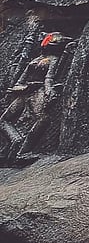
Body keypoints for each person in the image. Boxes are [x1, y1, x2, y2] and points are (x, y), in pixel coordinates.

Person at [1, 31, 72, 161]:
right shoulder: (38, 60)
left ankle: (23, 150)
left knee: (42, 119)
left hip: (36, 92)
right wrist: (22, 88)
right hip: (26, 93)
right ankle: (17, 142)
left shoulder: (51, 60)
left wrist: (48, 91)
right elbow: (20, 82)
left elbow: (49, 78)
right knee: (5, 120)